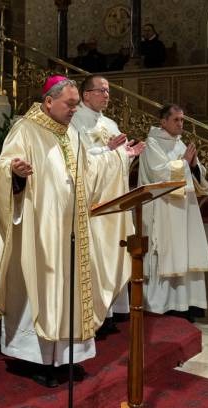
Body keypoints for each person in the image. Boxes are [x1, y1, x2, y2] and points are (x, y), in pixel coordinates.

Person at [0, 75, 144, 388]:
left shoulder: (70, 133)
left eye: (76, 104)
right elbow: (1, 167)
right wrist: (15, 174)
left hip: (71, 230)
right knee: (41, 290)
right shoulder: (25, 129)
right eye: (70, 104)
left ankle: (65, 356)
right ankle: (35, 359)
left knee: (69, 290)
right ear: (48, 101)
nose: (74, 110)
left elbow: (90, 172)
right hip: (39, 232)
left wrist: (119, 157)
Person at [70, 74, 135, 332]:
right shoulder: (74, 121)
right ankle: (97, 313)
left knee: (114, 251)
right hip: (93, 202)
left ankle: (114, 309)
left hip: (114, 199)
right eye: (101, 90)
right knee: (96, 256)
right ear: (86, 94)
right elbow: (80, 161)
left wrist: (127, 155)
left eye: (108, 91)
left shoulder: (110, 123)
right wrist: (108, 151)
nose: (107, 95)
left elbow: (120, 158)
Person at [138, 104, 208, 320]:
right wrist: (184, 164)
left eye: (182, 120)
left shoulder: (179, 143)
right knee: (167, 252)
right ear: (163, 122)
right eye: (176, 120)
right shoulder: (152, 143)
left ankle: (187, 303)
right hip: (163, 208)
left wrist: (193, 166)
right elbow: (159, 173)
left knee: (186, 252)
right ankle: (163, 304)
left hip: (184, 208)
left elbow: (195, 172)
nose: (181, 124)